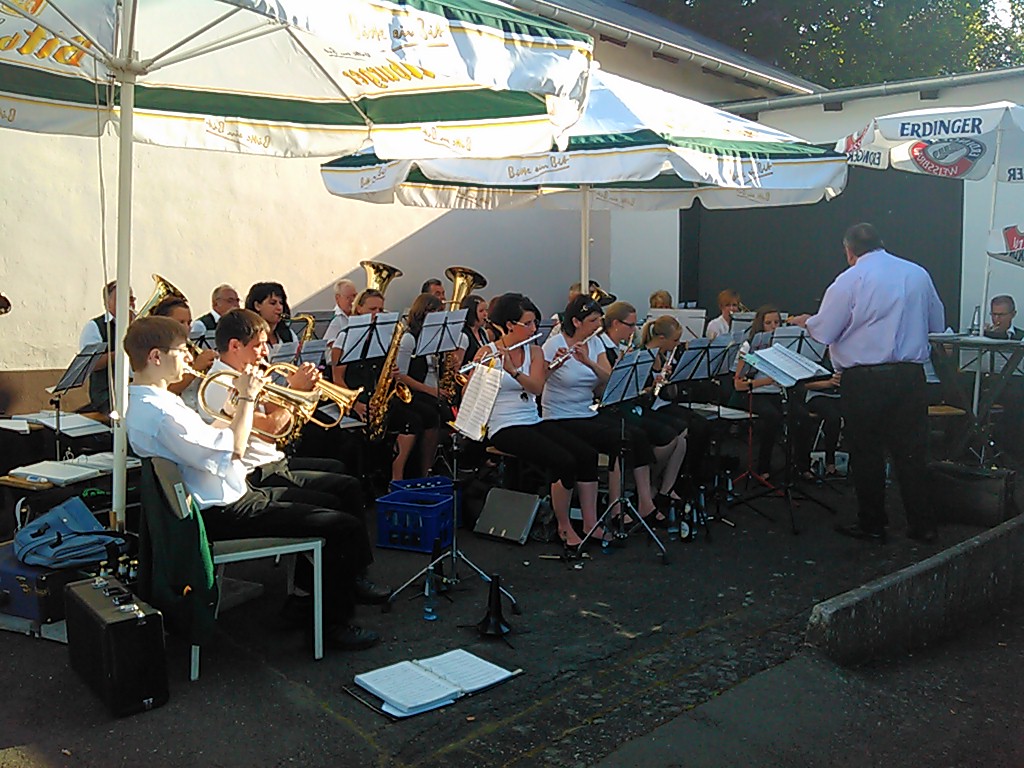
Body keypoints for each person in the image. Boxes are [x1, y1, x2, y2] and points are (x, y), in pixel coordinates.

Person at [123, 315, 382, 650]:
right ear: (156, 357)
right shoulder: (160, 413)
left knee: (335, 502)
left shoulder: (155, 402)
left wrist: (234, 411)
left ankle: (309, 603)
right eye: (181, 350)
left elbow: (210, 438)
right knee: (342, 526)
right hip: (222, 510)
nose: (189, 356)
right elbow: (234, 449)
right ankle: (332, 626)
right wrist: (246, 399)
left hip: (229, 493)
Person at [790, 222, 945, 544]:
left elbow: (826, 330)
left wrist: (807, 322)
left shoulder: (850, 280)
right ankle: (923, 525)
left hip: (865, 380)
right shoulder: (917, 273)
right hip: (910, 376)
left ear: (849, 251)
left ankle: (873, 523)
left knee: (866, 452)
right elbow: (937, 324)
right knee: (912, 453)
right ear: (881, 242)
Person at [471, 293, 590, 547]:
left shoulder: (534, 351)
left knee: (584, 452)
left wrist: (513, 371)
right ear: (509, 325)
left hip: (531, 419)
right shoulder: (487, 352)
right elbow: (472, 395)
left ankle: (589, 522)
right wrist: (481, 373)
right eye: (528, 323)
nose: (534, 328)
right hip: (503, 424)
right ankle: (563, 525)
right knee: (563, 460)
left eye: (535, 322)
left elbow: (536, 387)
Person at [542, 295, 657, 538]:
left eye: (599, 320)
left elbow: (609, 378)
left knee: (629, 435)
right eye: (593, 321)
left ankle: (621, 506)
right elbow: (538, 382)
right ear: (576, 321)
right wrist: (555, 366)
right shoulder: (553, 345)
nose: (598, 325)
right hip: (560, 415)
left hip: (586, 411)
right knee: (599, 447)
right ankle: (592, 521)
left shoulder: (594, 344)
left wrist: (588, 362)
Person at [733, 305, 786, 479]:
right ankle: (763, 467)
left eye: (777, 323)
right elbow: (738, 384)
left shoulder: (784, 346)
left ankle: (795, 467)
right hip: (754, 394)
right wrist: (768, 381)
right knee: (771, 416)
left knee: (797, 417)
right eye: (768, 323)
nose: (773, 327)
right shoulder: (749, 347)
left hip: (776, 393)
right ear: (760, 324)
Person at [149, 295, 216, 411]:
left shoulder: (191, 349)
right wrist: (195, 369)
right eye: (181, 322)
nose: (187, 328)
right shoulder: (154, 353)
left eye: (189, 323)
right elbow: (165, 391)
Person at [78, 280, 136, 413]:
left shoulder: (140, 325)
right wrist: (120, 352)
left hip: (136, 389)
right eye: (122, 299)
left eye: (131, 299)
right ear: (107, 303)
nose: (129, 303)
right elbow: (91, 364)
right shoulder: (94, 327)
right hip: (107, 395)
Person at [323, 278, 358, 348]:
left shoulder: (358, 313)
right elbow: (329, 343)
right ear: (337, 298)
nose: (353, 300)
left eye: (355, 296)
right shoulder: (335, 318)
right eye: (348, 297)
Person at [460, 294, 491, 365]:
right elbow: (458, 365)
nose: (485, 314)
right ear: (471, 313)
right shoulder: (463, 336)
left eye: (486, 310)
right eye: (481, 311)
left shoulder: (483, 332)